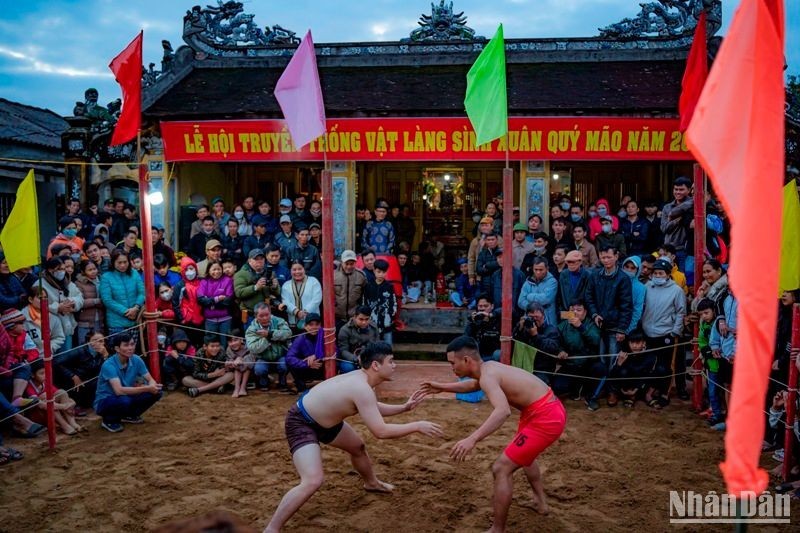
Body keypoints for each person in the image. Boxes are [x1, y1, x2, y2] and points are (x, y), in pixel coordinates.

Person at [264, 341, 443, 533]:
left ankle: (371, 483)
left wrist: (404, 408)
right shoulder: (361, 387)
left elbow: (371, 406)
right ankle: (271, 529)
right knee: (312, 480)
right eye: (391, 361)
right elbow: (380, 431)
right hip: (302, 422)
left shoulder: (364, 382)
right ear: (376, 365)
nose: (394, 365)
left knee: (357, 447)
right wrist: (416, 425)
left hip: (326, 422)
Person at [421, 336, 567, 532]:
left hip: (545, 417)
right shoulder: (488, 368)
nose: (451, 368)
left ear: (466, 360)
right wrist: (442, 387)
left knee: (501, 468)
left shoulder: (488, 375)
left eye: (452, 363)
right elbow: (475, 385)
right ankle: (540, 503)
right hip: (541, 410)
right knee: (525, 457)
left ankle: (497, 529)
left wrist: (472, 439)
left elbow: (502, 411)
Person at [639, 259, 686, 407]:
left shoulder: (676, 291)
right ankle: (649, 391)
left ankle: (664, 393)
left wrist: (675, 331)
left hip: (666, 333)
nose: (658, 276)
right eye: (655, 273)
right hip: (648, 332)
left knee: (665, 366)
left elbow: (680, 312)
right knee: (650, 364)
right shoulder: (648, 287)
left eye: (661, 273)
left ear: (667, 274)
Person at [94, 332, 162, 433]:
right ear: (117, 349)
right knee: (124, 400)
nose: (130, 348)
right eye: (126, 345)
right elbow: (119, 391)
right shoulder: (109, 365)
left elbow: (150, 379)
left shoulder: (136, 359)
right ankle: (109, 420)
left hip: (125, 396)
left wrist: (153, 386)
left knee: (157, 392)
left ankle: (130, 415)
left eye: (132, 344)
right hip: (105, 401)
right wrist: (147, 388)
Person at [555, 299, 601, 399]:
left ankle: (587, 390)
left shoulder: (591, 324)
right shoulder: (564, 324)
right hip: (570, 363)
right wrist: (561, 350)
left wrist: (581, 326)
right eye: (572, 310)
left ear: (585, 312)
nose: (575, 313)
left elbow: (596, 340)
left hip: (587, 364)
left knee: (599, 368)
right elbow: (556, 340)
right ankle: (575, 388)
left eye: (579, 310)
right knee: (558, 386)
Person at [25, 361, 84, 435]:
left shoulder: (45, 382)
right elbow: (40, 405)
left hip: (51, 411)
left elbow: (59, 393)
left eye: (46, 372)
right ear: (33, 375)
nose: (45, 375)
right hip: (36, 415)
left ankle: (72, 423)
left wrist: (71, 403)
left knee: (61, 392)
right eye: (41, 373)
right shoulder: (29, 386)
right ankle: (64, 426)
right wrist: (64, 406)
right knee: (48, 399)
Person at [98, 250, 144, 342]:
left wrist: (136, 307)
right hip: (116, 323)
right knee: (119, 351)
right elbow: (107, 300)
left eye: (125, 262)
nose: (122, 265)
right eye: (119, 262)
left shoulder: (134, 273)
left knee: (131, 350)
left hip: (134, 320)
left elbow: (142, 292)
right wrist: (126, 312)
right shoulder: (106, 277)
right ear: (113, 262)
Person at [40, 256, 83, 353]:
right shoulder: (40, 284)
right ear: (50, 270)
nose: (62, 272)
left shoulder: (68, 282)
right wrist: (57, 307)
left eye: (63, 269)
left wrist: (72, 303)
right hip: (51, 331)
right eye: (58, 269)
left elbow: (80, 297)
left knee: (66, 357)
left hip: (67, 327)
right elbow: (37, 306)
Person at [246, 302, 292, 391]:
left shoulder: (279, 321)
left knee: (285, 365)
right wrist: (267, 339)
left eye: (267, 315)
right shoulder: (251, 329)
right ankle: (264, 381)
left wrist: (270, 334)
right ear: (255, 316)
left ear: (270, 312)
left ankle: (282, 381)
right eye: (261, 316)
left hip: (280, 355)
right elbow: (253, 347)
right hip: (262, 357)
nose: (265, 318)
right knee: (259, 369)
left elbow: (288, 333)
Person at [58, 329, 107, 410]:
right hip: (74, 381)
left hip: (89, 379)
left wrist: (105, 356)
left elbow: (107, 369)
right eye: (95, 340)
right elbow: (58, 363)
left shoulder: (102, 352)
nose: (98, 343)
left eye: (101, 341)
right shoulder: (79, 351)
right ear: (88, 341)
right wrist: (73, 376)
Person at [198, 260, 234, 349]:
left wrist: (211, 304)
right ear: (209, 270)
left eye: (219, 269)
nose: (216, 272)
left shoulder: (227, 280)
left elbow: (228, 300)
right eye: (214, 269)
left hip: (226, 318)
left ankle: (224, 361)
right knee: (210, 343)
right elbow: (201, 299)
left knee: (225, 343)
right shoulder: (204, 282)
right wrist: (216, 299)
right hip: (210, 319)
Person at [285, 313, 325, 393]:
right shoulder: (300, 339)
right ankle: (301, 386)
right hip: (307, 369)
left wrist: (317, 355)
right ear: (305, 326)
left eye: (317, 324)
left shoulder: (326, 336)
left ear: (320, 325)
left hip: (322, 366)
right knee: (291, 364)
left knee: (336, 363)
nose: (314, 327)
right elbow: (289, 358)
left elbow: (336, 352)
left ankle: (331, 386)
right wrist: (307, 363)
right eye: (311, 324)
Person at [233, 249, 273, 325]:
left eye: (261, 258)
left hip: (267, 314)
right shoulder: (241, 274)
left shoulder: (269, 272)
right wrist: (255, 287)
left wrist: (275, 286)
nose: (259, 261)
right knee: (251, 336)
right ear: (249, 261)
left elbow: (277, 292)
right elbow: (239, 293)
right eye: (256, 259)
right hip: (250, 315)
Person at [362, 259, 397, 344]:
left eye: (384, 272)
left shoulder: (389, 286)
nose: (381, 274)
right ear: (374, 271)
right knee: (372, 345)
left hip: (386, 321)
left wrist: (390, 315)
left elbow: (393, 303)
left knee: (387, 346)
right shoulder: (368, 286)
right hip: (371, 321)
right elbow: (364, 302)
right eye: (379, 272)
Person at [518, 257, 558, 327]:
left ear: (547, 268)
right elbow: (520, 302)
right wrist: (534, 310)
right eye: (536, 269)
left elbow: (545, 299)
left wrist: (529, 296)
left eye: (541, 270)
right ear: (533, 269)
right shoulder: (527, 282)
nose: (538, 272)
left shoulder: (552, 282)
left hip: (548, 321)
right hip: (530, 320)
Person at [337, 306, 379, 373]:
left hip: (369, 359)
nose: (364, 322)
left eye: (367, 319)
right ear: (355, 317)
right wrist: (356, 359)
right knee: (348, 368)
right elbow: (343, 351)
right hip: (351, 360)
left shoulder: (374, 327)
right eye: (361, 319)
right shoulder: (345, 330)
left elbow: (377, 346)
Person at [281, 262, 322, 330]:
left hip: (311, 321)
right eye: (294, 269)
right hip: (293, 322)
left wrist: (305, 312)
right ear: (290, 271)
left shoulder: (314, 281)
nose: (297, 272)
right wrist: (296, 312)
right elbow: (285, 302)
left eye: (300, 269)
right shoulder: (286, 285)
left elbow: (317, 299)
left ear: (304, 269)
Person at [334, 250, 367, 324]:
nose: (349, 266)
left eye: (351, 264)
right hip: (337, 317)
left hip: (355, 317)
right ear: (342, 262)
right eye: (346, 263)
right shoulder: (333, 275)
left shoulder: (361, 276)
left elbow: (365, 295)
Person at [464, 295, 501, 361]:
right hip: (480, 355)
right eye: (480, 306)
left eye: (486, 306)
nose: (482, 308)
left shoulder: (498, 318)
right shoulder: (475, 321)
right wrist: (472, 323)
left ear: (492, 306)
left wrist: (490, 315)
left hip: (495, 355)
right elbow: (467, 338)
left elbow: (511, 311)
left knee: (498, 354)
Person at [225, 329, 254, 398]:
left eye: (235, 340)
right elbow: (229, 361)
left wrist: (241, 359)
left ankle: (243, 387)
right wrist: (230, 363)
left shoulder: (248, 347)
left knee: (245, 365)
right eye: (230, 341)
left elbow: (251, 362)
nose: (233, 343)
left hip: (251, 371)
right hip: (236, 372)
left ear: (241, 339)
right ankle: (237, 388)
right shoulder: (229, 349)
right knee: (237, 367)